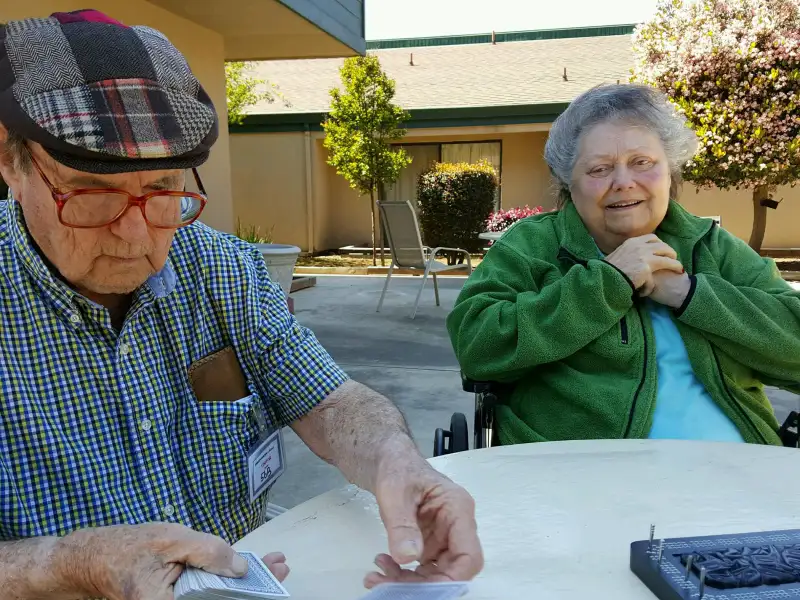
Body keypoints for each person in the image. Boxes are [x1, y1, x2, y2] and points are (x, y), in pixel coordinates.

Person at [0, 10, 482, 599]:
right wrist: (66, 565)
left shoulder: (223, 268)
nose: (136, 236)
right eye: (93, 196)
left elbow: (330, 403)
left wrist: (398, 463)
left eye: (162, 191)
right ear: (10, 159)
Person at [447, 83, 800, 447]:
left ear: (670, 170)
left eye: (642, 163)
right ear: (570, 182)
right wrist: (610, 282)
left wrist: (687, 293)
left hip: (735, 474)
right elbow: (478, 347)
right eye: (599, 169)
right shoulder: (532, 246)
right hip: (580, 476)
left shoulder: (710, 246)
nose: (623, 183)